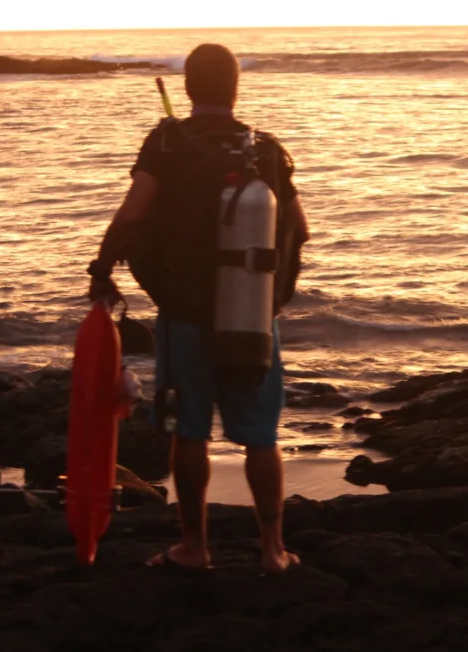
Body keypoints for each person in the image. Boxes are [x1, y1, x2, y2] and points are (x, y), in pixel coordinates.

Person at [86, 43, 309, 574]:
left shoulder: (167, 142)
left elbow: (134, 213)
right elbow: (299, 229)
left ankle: (194, 547)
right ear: (236, 88)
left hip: (186, 312)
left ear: (187, 88)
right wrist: (272, 295)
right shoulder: (268, 148)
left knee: (188, 432)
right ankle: (273, 551)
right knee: (261, 437)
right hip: (253, 316)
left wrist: (101, 268)